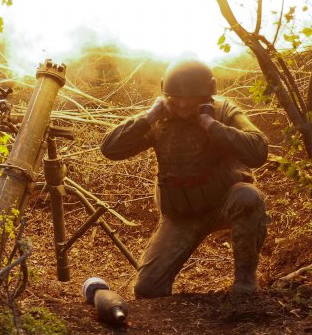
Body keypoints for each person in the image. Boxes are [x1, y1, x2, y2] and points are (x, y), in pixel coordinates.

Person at [100, 59, 269, 298]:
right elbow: (109, 149)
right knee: (148, 289)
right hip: (181, 216)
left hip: (223, 203)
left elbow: (258, 150)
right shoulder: (158, 120)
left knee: (248, 196)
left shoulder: (223, 111)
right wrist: (147, 118)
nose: (181, 104)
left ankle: (245, 282)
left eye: (189, 99)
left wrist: (213, 126)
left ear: (207, 95)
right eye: (175, 98)